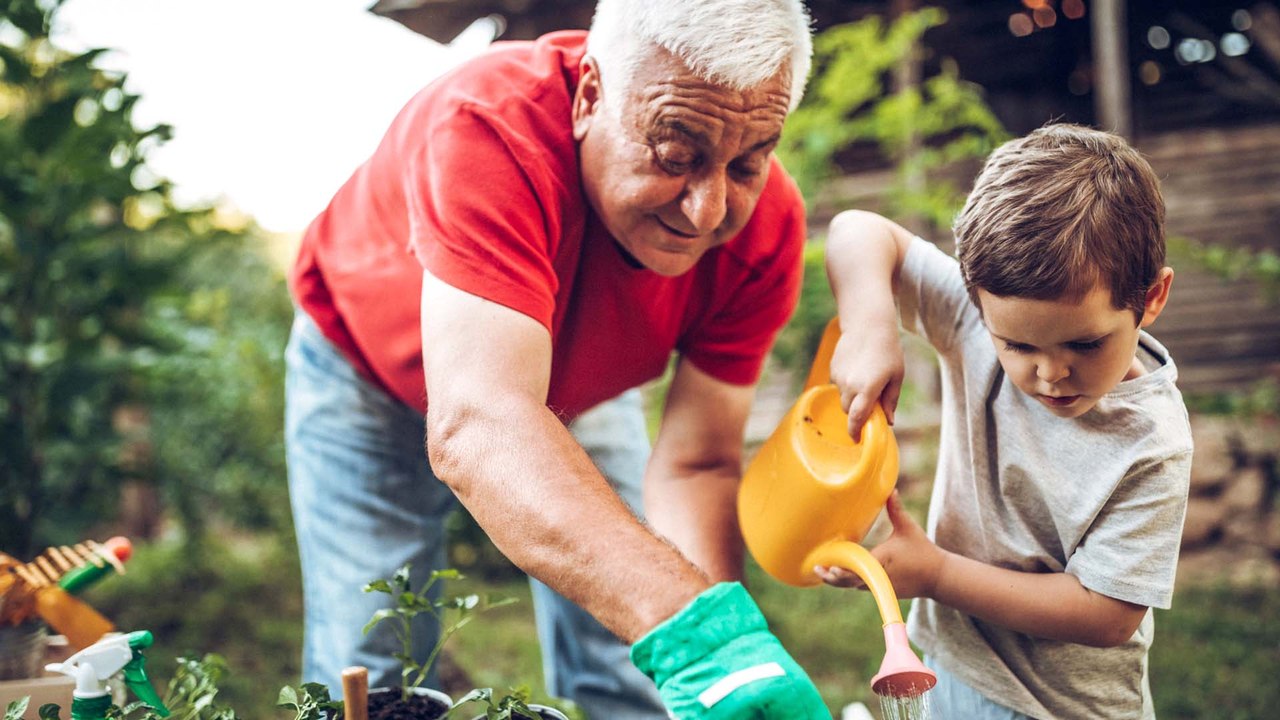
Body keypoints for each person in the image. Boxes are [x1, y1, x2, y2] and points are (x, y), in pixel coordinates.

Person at [284, 0, 831, 718]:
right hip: (365, 371)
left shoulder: (763, 231)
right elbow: (482, 424)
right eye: (676, 155)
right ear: (590, 95)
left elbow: (696, 463)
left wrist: (733, 652)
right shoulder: (487, 127)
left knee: (632, 658)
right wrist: (696, 635)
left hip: (575, 391)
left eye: (748, 162)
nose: (706, 211)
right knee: (378, 661)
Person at [817, 124, 1193, 719]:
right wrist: (870, 325)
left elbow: (1107, 615)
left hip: (1062, 707)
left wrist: (937, 574)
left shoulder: (1151, 442)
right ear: (977, 298)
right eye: (1017, 346)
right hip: (945, 665)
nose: (1050, 374)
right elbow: (856, 230)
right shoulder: (974, 319)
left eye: (1085, 345)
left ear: (1151, 297)